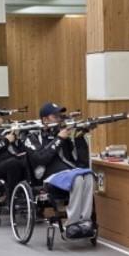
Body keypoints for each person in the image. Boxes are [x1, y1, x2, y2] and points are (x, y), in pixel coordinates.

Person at [24, 102, 94, 239]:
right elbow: (41, 159)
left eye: (60, 116)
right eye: (55, 116)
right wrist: (59, 138)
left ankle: (85, 221)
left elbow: (81, 163)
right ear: (45, 119)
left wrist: (79, 138)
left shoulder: (64, 135)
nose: (59, 119)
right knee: (77, 178)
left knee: (88, 176)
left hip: (69, 174)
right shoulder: (32, 137)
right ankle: (72, 224)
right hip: (48, 178)